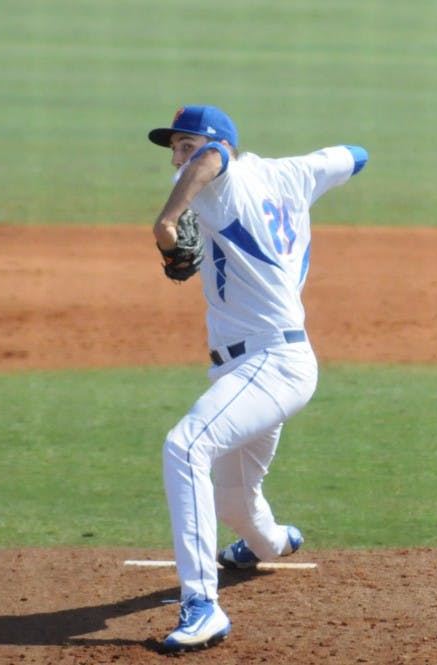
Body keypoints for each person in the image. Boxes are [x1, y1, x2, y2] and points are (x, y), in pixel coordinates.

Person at [148, 104, 368, 652]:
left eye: (183, 146)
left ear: (215, 147)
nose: (177, 159)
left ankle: (203, 607)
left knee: (185, 448)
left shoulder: (217, 174)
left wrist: (168, 220)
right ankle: (272, 543)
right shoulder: (292, 173)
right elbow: (355, 156)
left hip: (271, 363)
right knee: (235, 504)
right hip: (260, 367)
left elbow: (215, 157)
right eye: (172, 149)